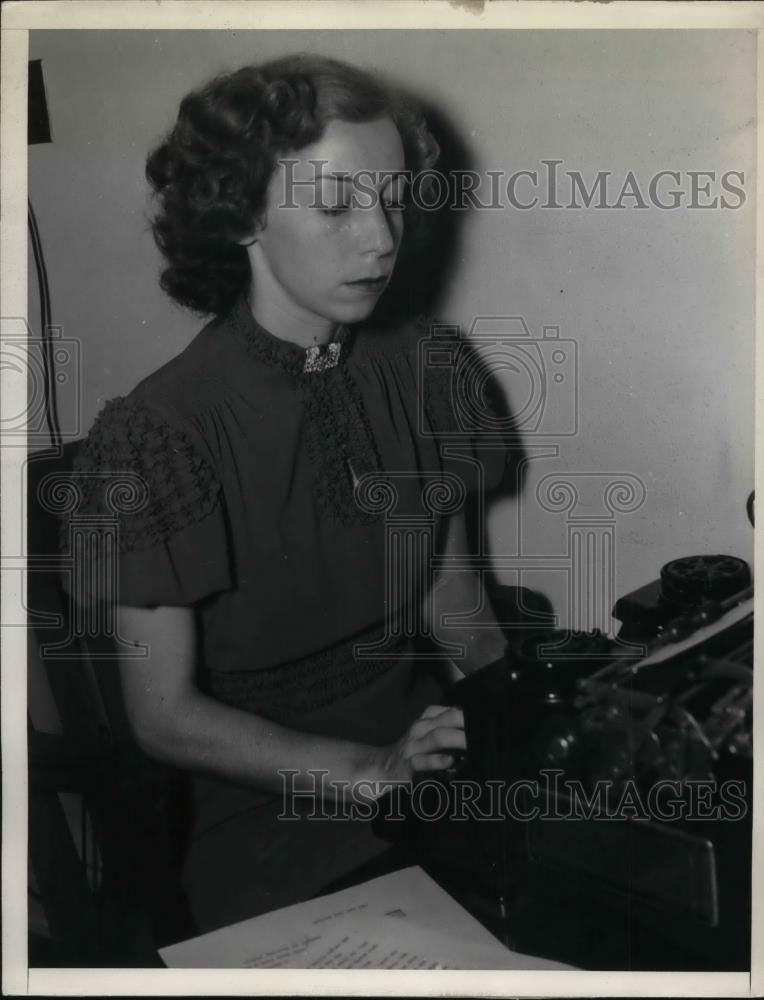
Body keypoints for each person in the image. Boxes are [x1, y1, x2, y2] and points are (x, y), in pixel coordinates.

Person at [66, 53, 510, 936]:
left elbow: (455, 604)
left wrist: (525, 722)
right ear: (240, 217)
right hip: (272, 820)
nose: (381, 239)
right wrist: (368, 767)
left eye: (391, 200)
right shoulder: (156, 435)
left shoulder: (428, 367)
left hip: (433, 767)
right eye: (337, 205)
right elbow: (165, 719)